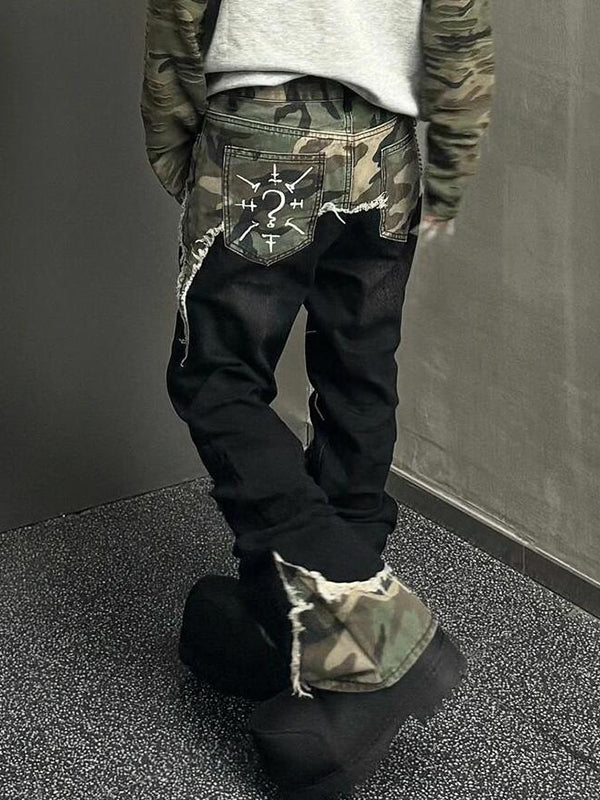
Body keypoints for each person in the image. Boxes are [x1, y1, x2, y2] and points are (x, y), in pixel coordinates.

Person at [140, 1, 495, 797]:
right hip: (388, 148)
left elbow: (177, 12)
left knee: (216, 379)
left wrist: (175, 142)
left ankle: (368, 622)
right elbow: (459, 17)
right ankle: (316, 636)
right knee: (356, 375)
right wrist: (451, 161)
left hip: (264, 132)